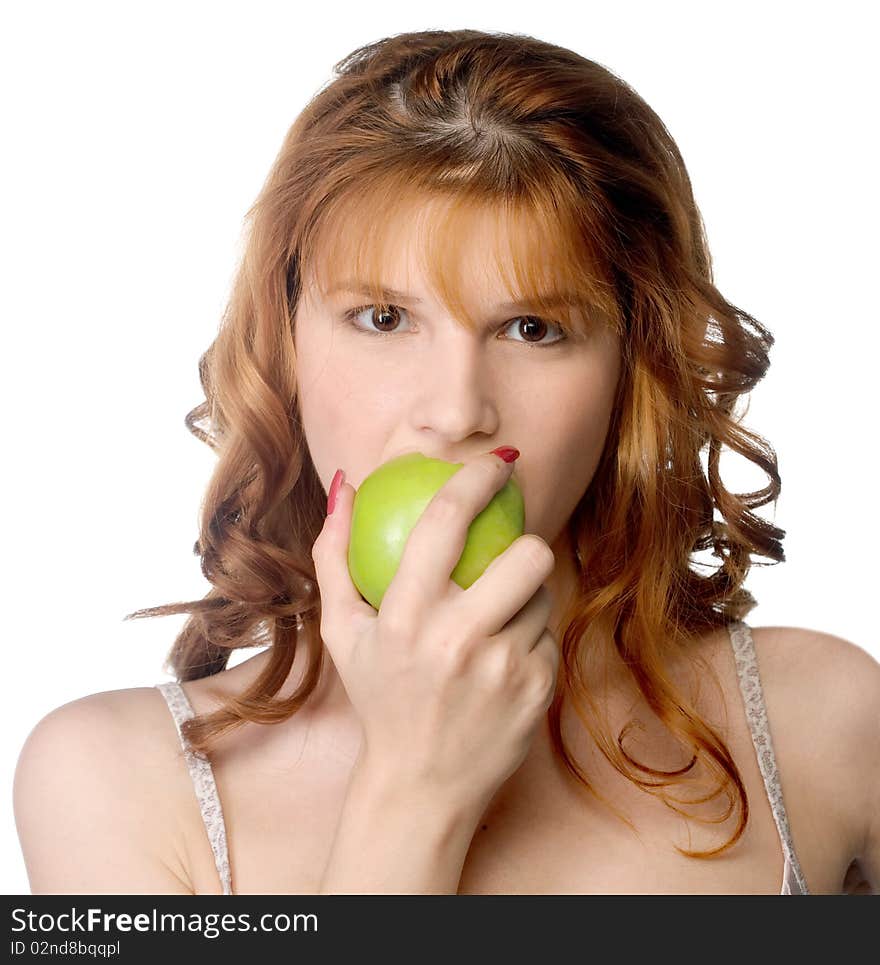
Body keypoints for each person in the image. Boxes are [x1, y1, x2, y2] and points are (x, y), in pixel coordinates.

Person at [13, 28, 878, 896]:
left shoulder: (827, 722)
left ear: (630, 366)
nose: (457, 411)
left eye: (533, 328)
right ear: (284, 344)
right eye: (384, 318)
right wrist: (415, 790)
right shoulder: (108, 785)